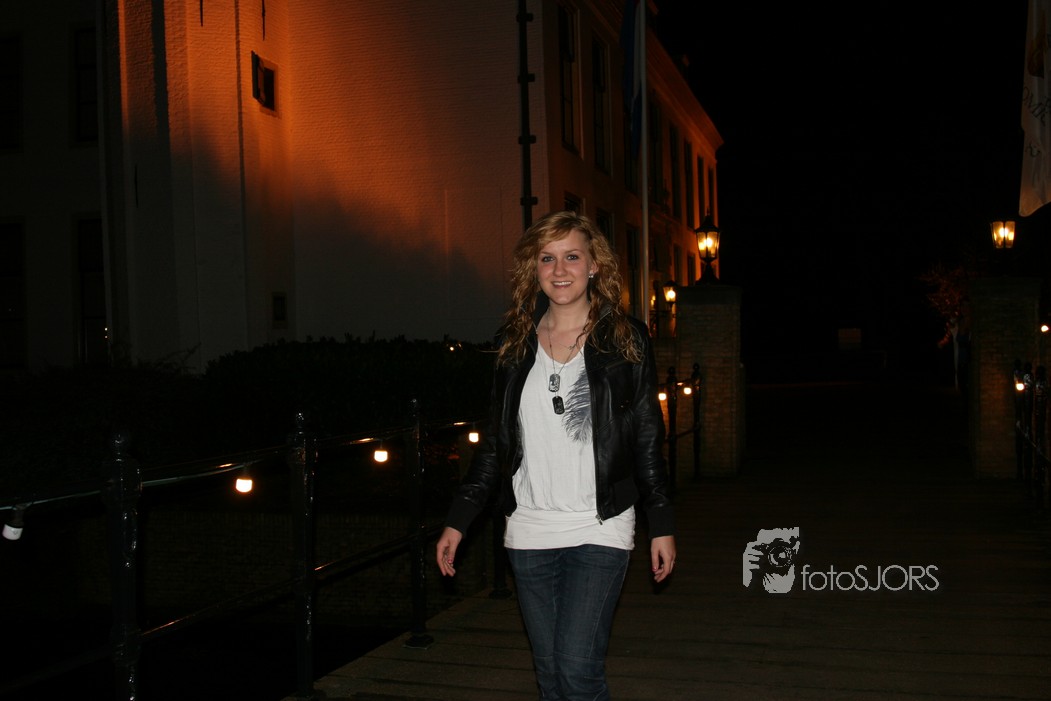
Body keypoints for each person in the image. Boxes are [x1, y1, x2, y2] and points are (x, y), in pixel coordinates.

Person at [435, 210, 676, 700]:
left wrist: (662, 522)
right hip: (529, 527)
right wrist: (459, 519)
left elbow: (648, 436)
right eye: (547, 258)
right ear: (534, 267)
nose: (560, 269)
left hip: (600, 523)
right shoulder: (512, 343)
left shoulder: (625, 339)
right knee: (549, 674)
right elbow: (496, 442)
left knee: (578, 671)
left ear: (594, 265)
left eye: (572, 256)